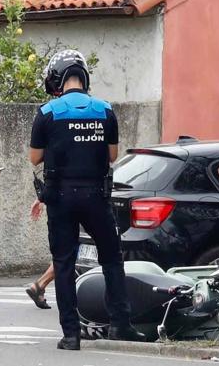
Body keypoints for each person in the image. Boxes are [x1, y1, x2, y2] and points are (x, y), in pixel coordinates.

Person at [29, 49, 146, 350]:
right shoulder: (105, 110)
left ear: (58, 78)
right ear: (83, 77)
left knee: (64, 264)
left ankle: (71, 334)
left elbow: (34, 159)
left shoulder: (47, 113)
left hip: (60, 197)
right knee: (111, 260)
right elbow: (112, 155)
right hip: (96, 195)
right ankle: (121, 324)